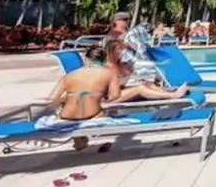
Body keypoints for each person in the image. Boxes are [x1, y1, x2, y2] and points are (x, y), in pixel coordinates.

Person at [43, 40, 188, 151]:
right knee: (135, 91)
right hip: (95, 109)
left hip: (66, 116)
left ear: (86, 60)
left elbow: (50, 100)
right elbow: (114, 95)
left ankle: (80, 139)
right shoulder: (107, 72)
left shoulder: (69, 76)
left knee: (142, 86)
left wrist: (66, 99)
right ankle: (173, 96)